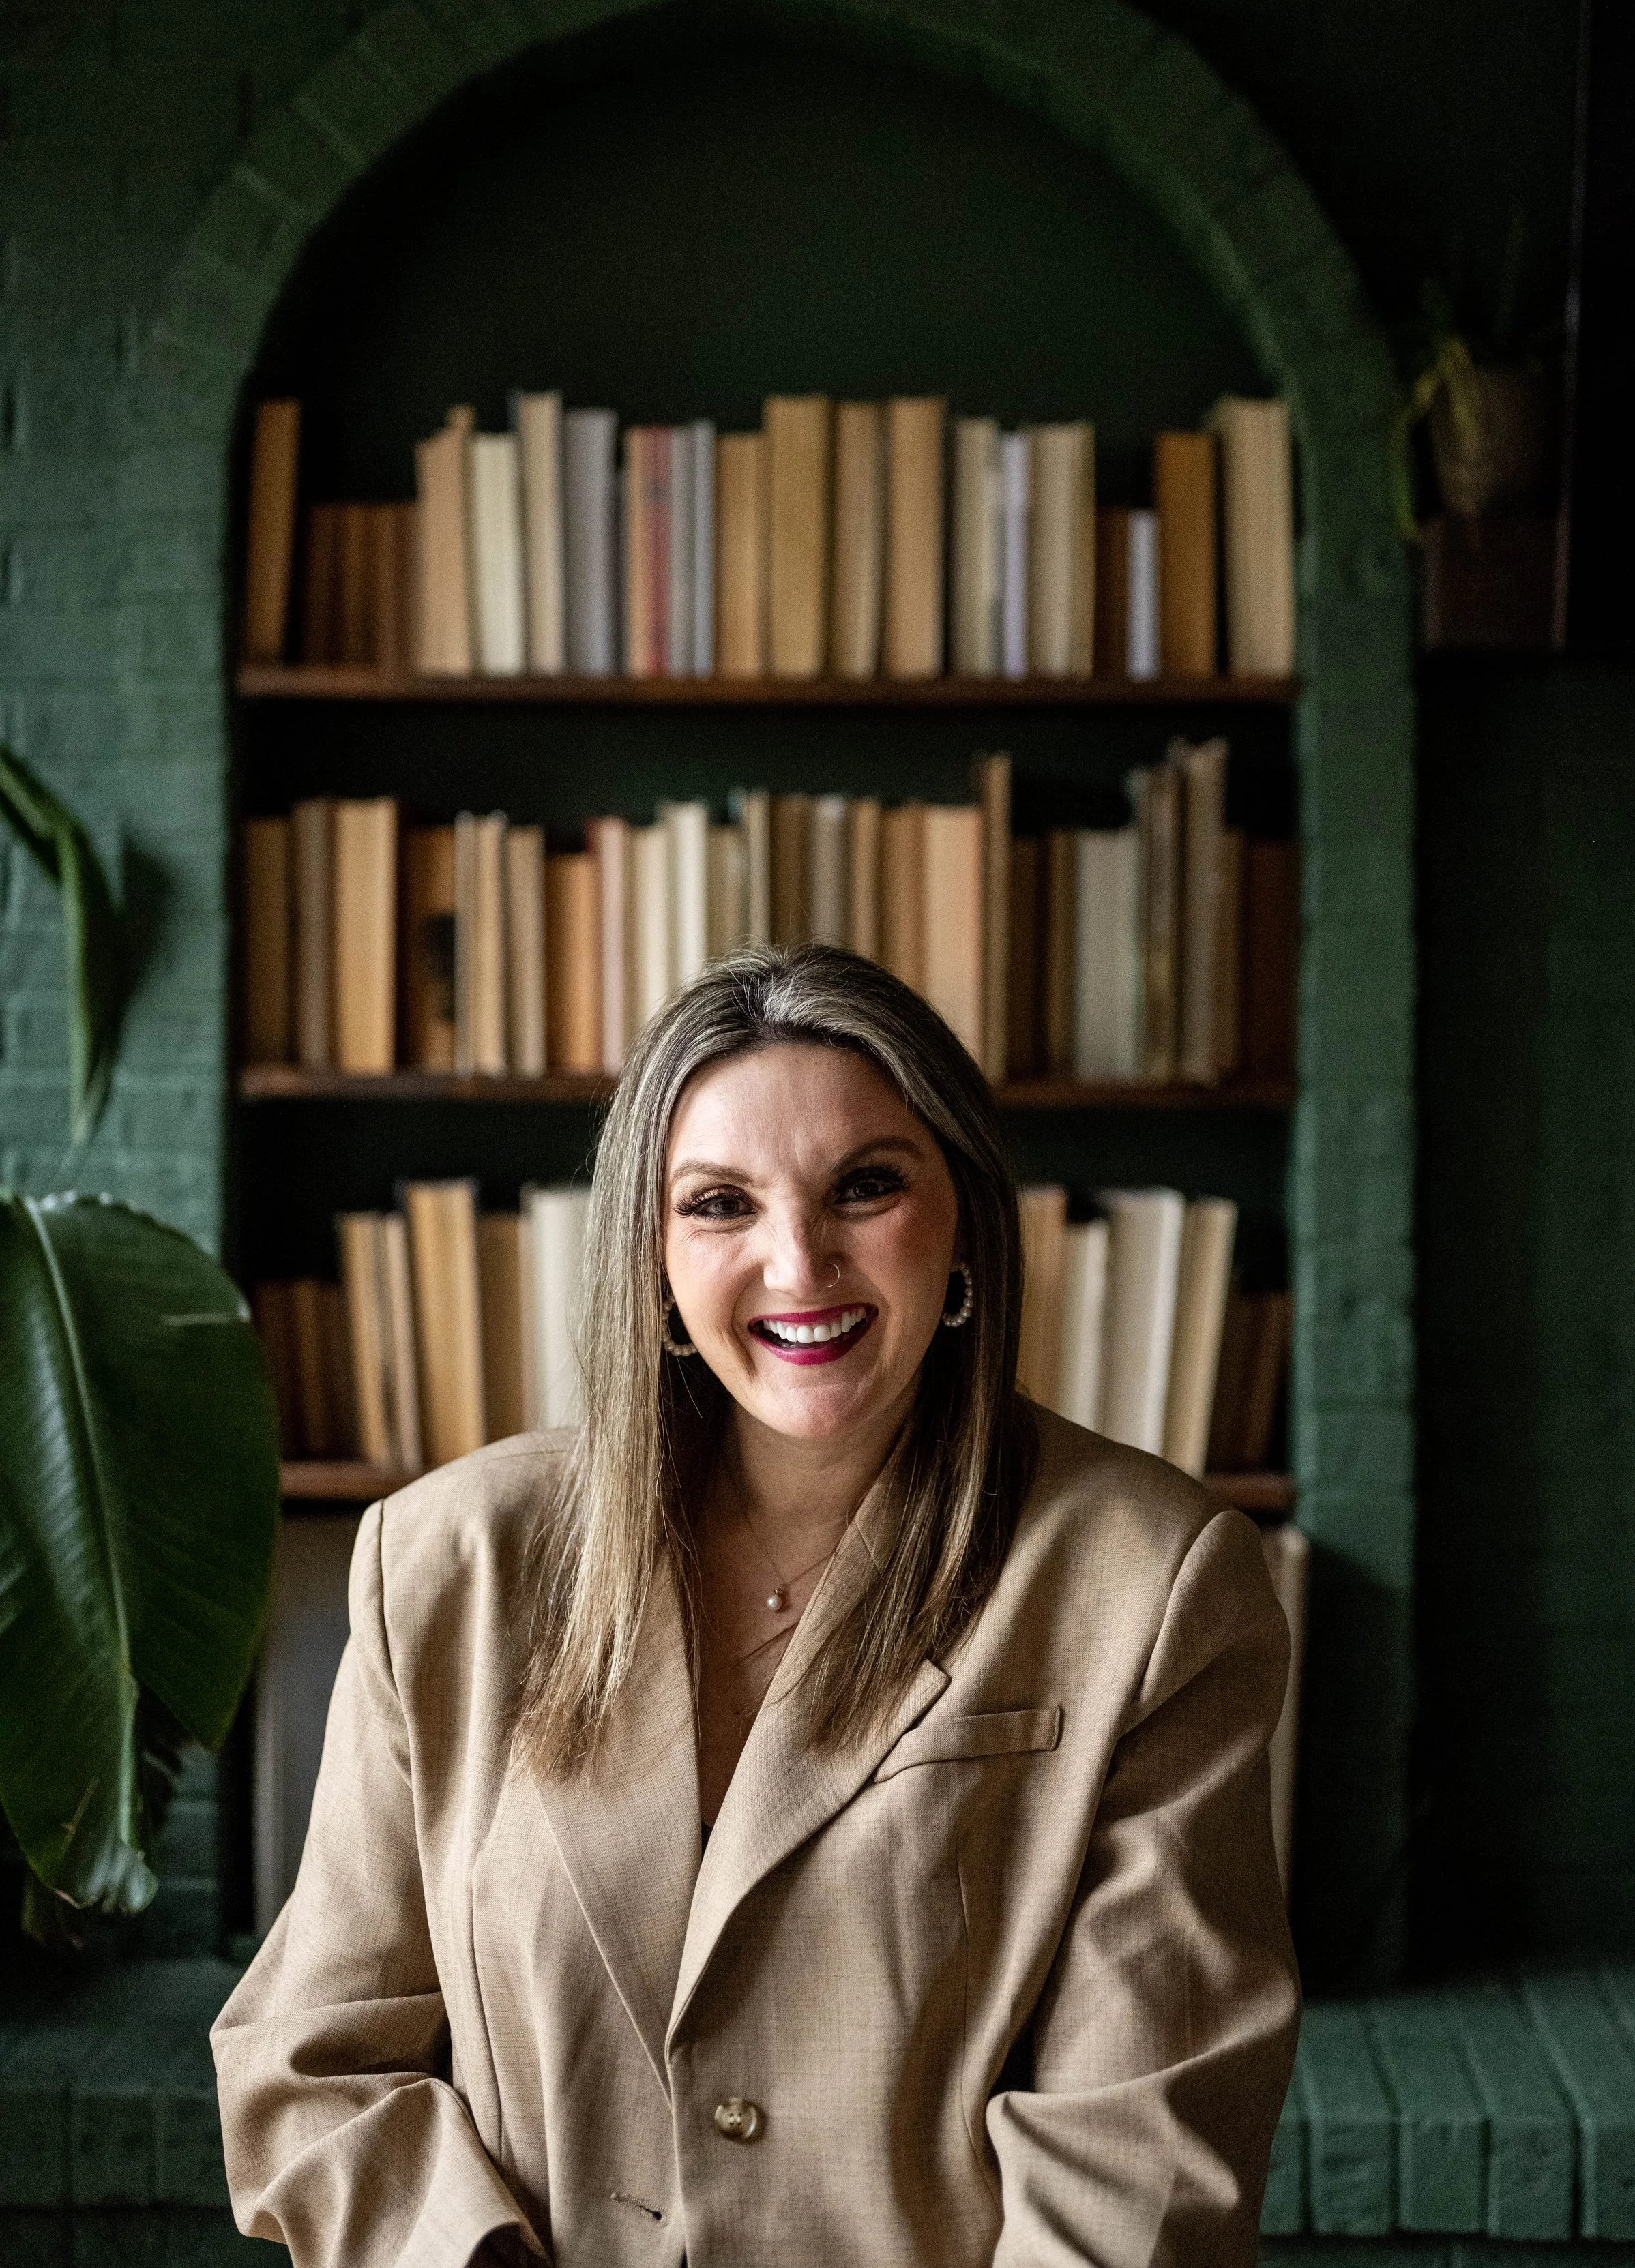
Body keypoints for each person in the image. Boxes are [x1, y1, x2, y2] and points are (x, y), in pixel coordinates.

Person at [214, 944, 1299, 2267]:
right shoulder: (445, 1564)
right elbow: (307, 2066)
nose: (799, 1261)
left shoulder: (1154, 1583)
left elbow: (1139, 2178)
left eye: (866, 1186)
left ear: (958, 1214)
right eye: (719, 1204)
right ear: (653, 1261)